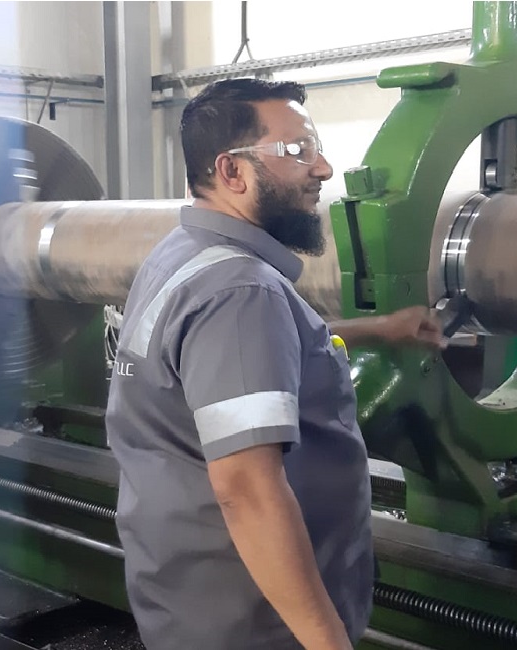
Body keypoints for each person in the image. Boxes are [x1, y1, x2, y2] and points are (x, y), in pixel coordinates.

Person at [106, 78, 443, 650]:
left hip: (194, 597)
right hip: (258, 621)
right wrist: (326, 642)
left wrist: (379, 329)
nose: (323, 169)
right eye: (298, 151)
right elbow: (248, 489)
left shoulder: (181, 254)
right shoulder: (242, 290)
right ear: (231, 171)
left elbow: (252, 354)